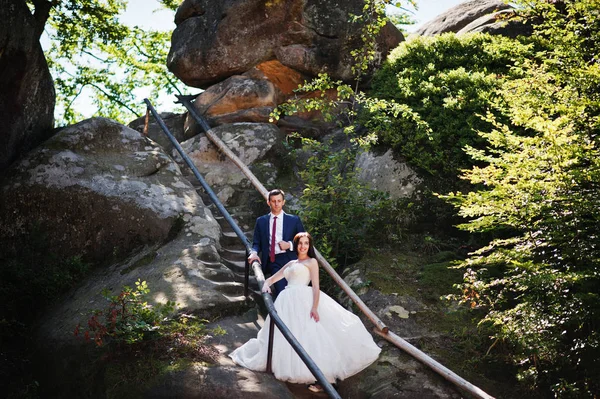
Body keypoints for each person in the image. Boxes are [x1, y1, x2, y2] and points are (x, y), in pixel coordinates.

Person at [230, 232, 381, 391]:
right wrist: (266, 286)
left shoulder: (312, 262)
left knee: (312, 336)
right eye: (300, 243)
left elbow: (315, 286)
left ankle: (324, 379)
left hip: (304, 299)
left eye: (306, 243)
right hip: (286, 302)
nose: (303, 246)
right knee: (290, 335)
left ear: (309, 246)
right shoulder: (290, 263)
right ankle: (293, 367)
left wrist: (315, 307)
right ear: (296, 245)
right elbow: (271, 279)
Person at [248, 189, 305, 296]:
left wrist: (290, 244)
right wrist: (254, 253)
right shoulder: (261, 221)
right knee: (282, 292)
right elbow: (256, 243)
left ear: (283, 202)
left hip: (292, 260)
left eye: (279, 201)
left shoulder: (294, 220)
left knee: (297, 292)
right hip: (274, 262)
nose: (276, 204)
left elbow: (304, 240)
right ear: (268, 202)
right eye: (273, 201)